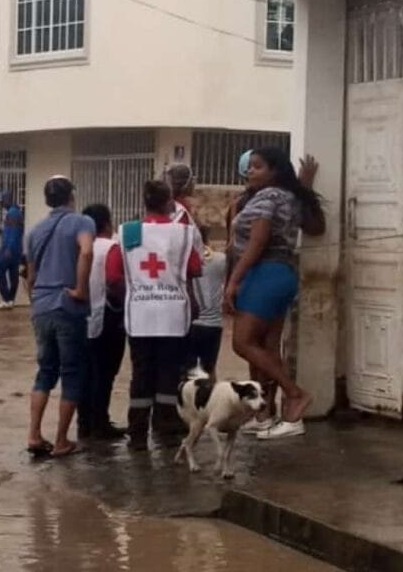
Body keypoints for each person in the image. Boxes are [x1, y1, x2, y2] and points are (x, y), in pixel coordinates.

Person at [225, 146, 324, 440]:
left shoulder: (268, 197)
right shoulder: (290, 197)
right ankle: (265, 414)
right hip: (282, 274)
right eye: (250, 166)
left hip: (265, 273)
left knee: (242, 343)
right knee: (267, 345)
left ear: (275, 171)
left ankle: (294, 395)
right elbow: (315, 227)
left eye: (257, 166)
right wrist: (305, 188)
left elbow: (257, 243)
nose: (250, 171)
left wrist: (233, 281)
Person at [108, 180, 202, 450]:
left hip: (139, 315)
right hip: (174, 314)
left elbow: (113, 275)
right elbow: (195, 269)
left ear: (145, 202)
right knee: (168, 373)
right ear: (169, 202)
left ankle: (137, 434)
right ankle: (166, 426)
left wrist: (136, 292)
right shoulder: (182, 233)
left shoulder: (129, 232)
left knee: (141, 374)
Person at [25, 176, 95, 458]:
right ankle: (62, 440)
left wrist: (37, 301)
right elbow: (87, 251)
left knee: (45, 372)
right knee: (72, 374)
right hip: (68, 307)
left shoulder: (34, 231)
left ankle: (33, 435)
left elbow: (30, 278)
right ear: (71, 196)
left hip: (41, 307)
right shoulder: (82, 222)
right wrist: (80, 289)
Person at [78, 204, 126, 441]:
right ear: (108, 223)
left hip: (80, 317)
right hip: (108, 317)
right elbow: (115, 280)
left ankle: (84, 423)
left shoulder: (79, 247)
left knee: (85, 372)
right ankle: (100, 423)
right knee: (106, 372)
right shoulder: (112, 247)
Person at [187, 227, 226, 376]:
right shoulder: (220, 259)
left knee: (187, 371)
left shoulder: (181, 258)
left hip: (189, 324)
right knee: (209, 370)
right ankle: (210, 398)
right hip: (213, 324)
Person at [0, 190, 24, 309]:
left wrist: (9, 248)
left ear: (8, 200)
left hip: (9, 248)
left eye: (2, 202)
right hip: (15, 248)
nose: (2, 205)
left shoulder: (12, 213)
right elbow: (13, 230)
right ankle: (10, 300)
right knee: (13, 274)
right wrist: (1, 231)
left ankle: (7, 299)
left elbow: (15, 232)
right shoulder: (16, 212)